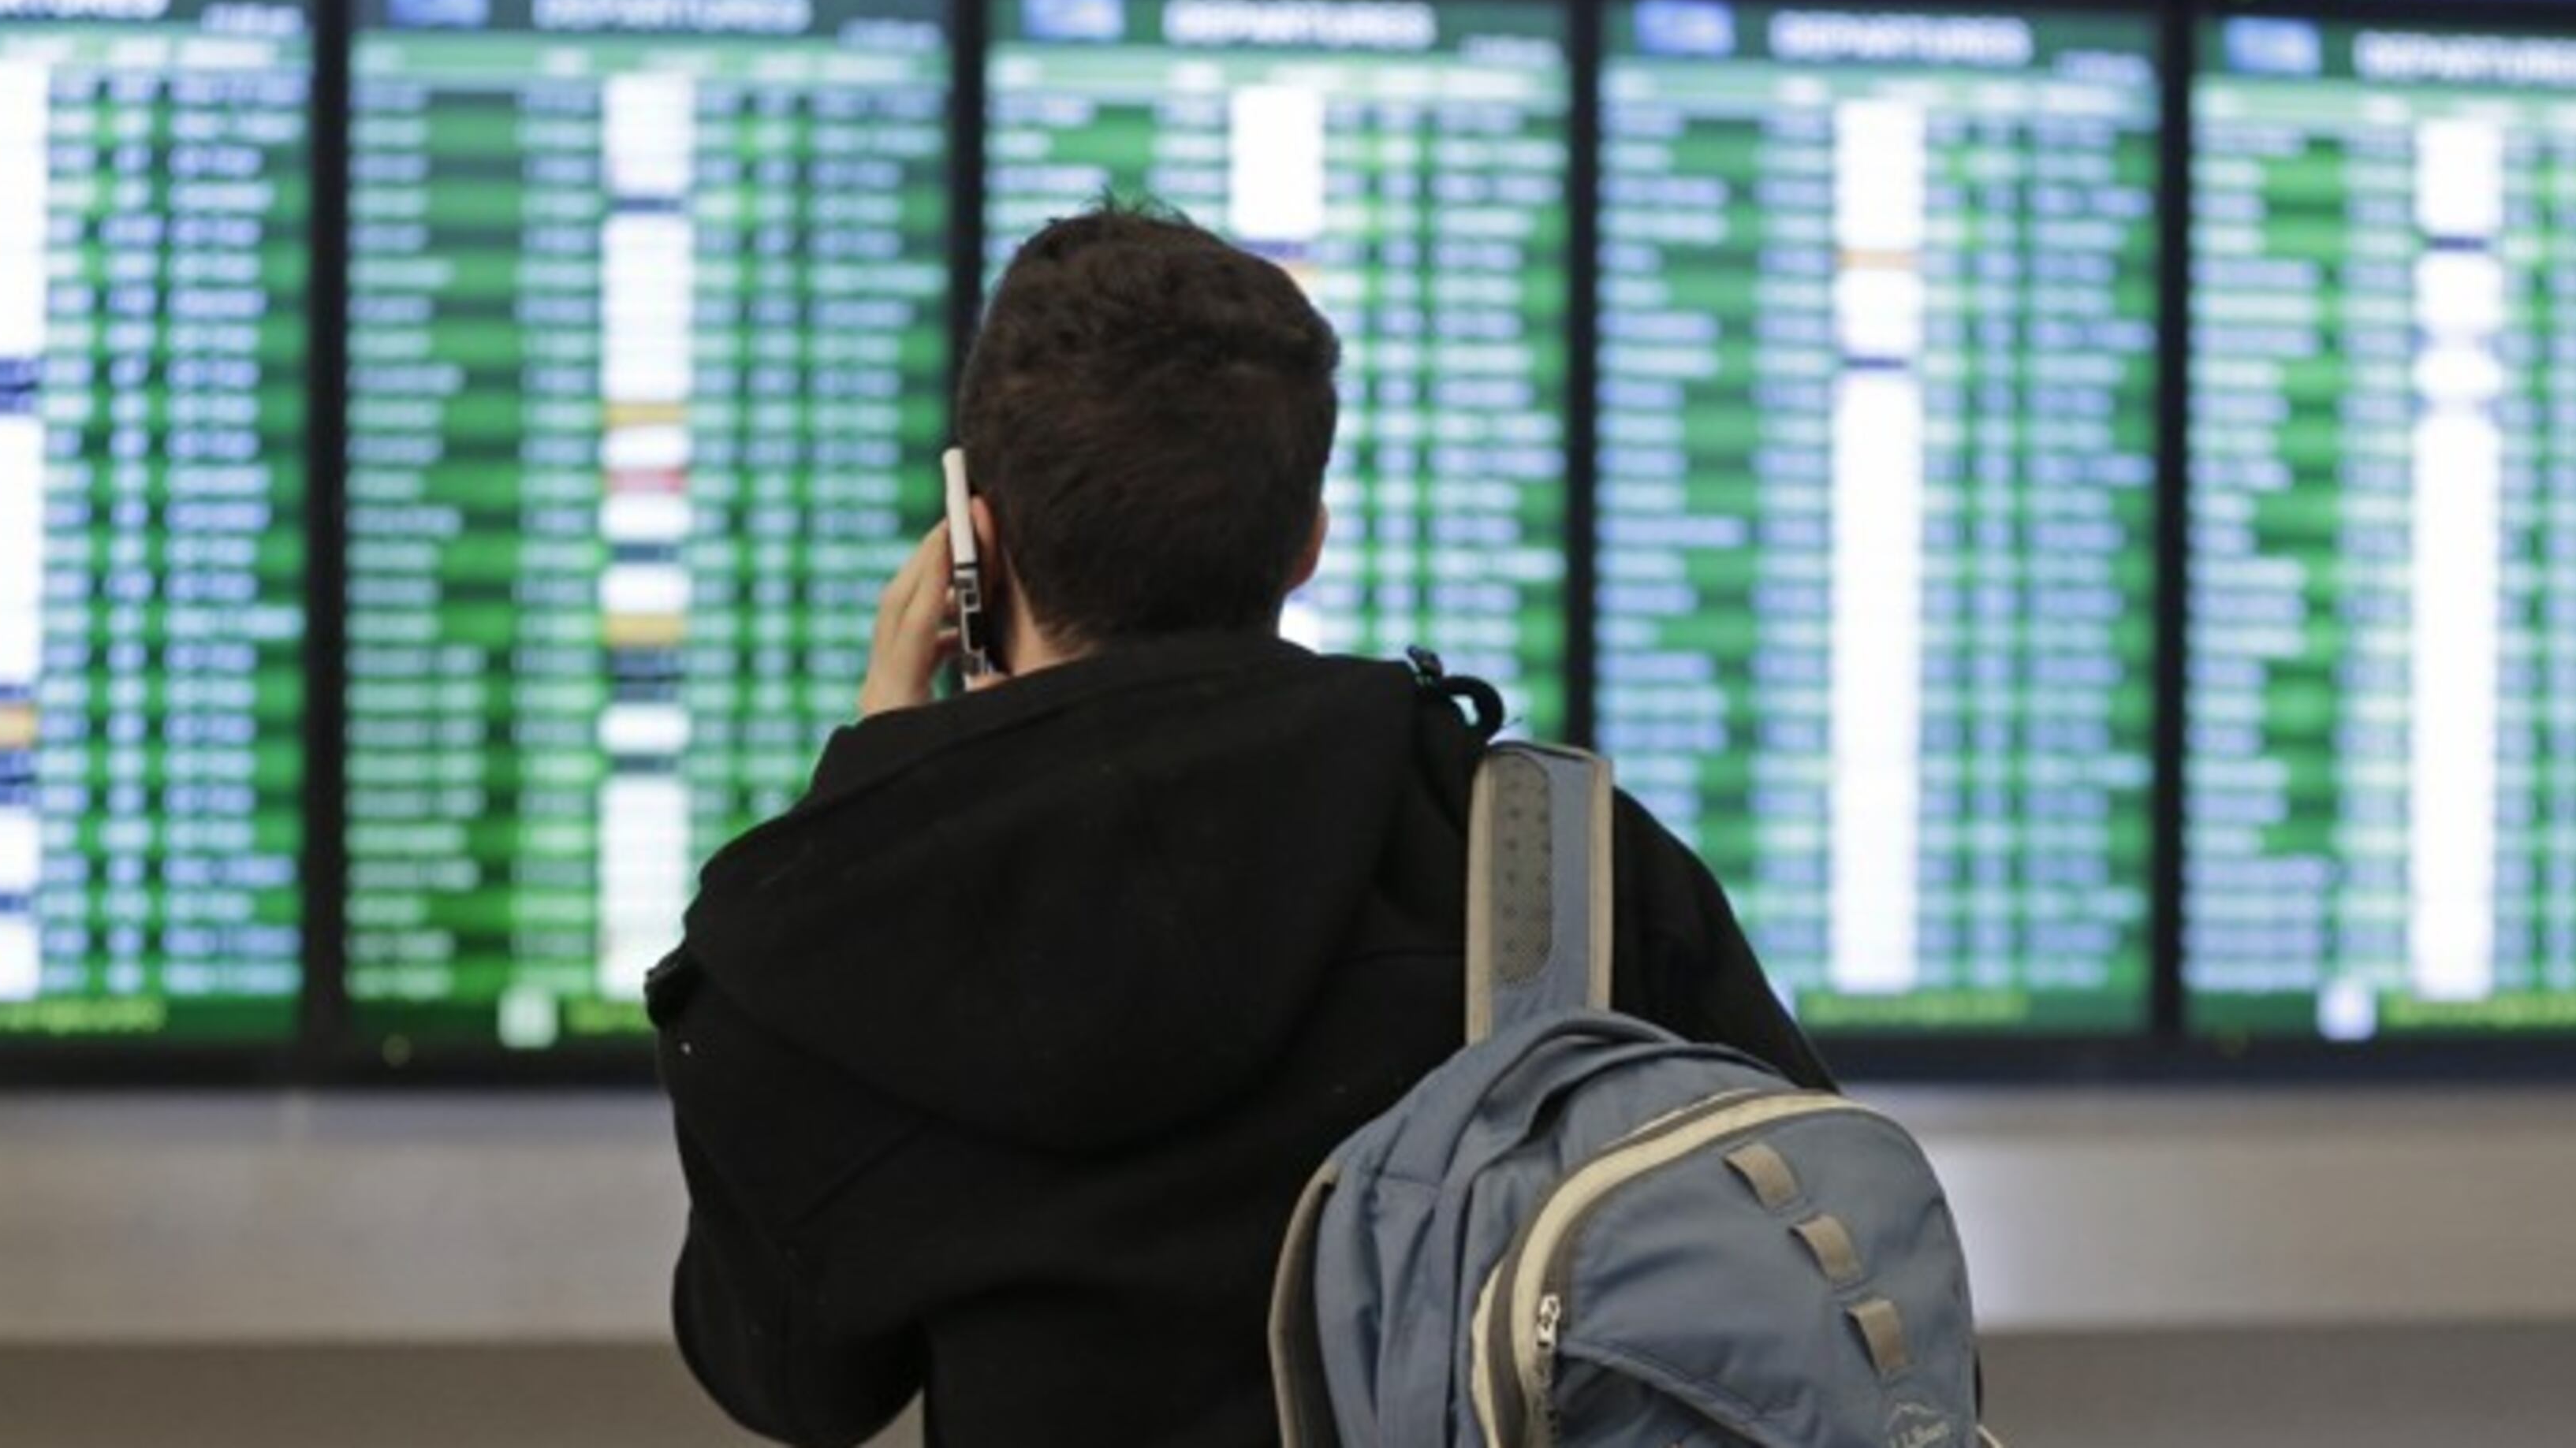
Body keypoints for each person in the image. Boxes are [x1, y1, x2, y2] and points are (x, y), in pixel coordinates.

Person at [646, 203, 1829, 1448]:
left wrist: (883, 794)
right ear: (1308, 540)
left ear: (974, 549)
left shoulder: (841, 921)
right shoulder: (1565, 869)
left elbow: (787, 1379)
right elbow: (1823, 1285)